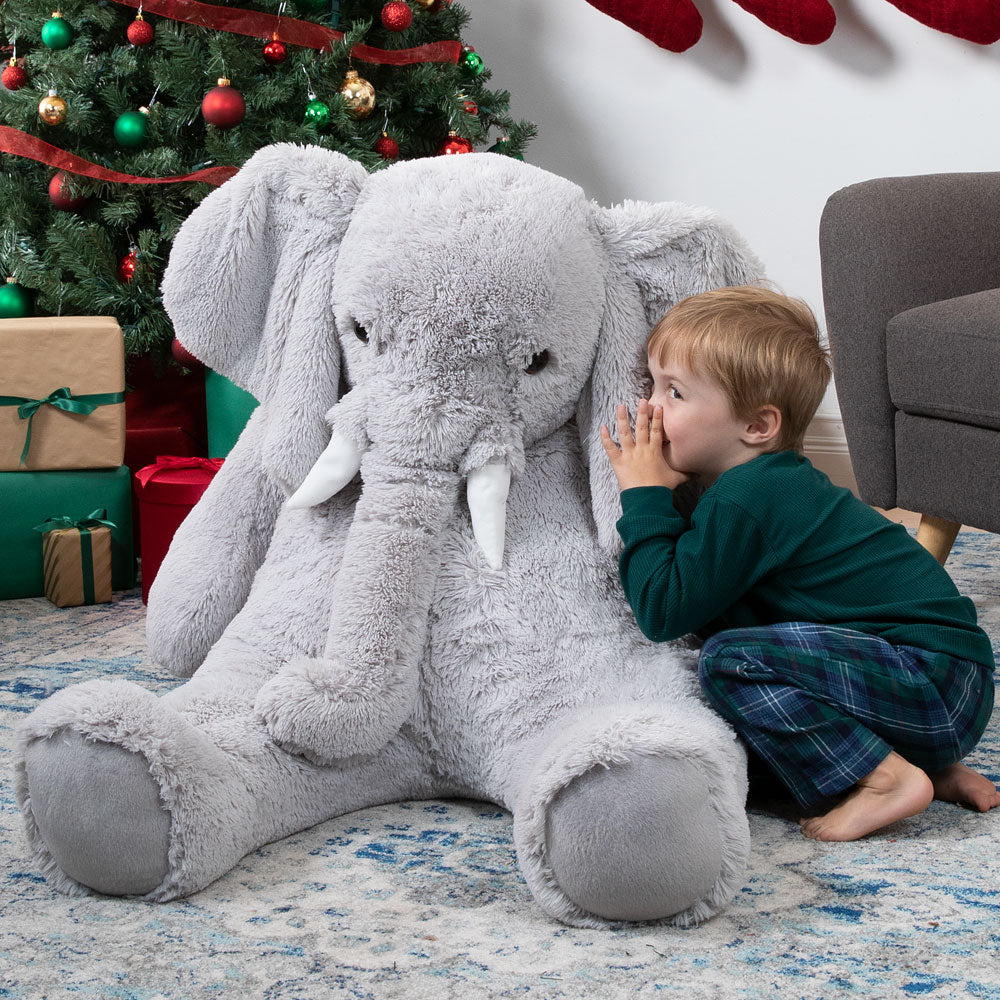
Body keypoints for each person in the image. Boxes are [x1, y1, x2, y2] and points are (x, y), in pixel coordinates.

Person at [600, 284, 999, 842]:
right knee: (753, 716)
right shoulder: (763, 486)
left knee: (729, 664)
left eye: (675, 393)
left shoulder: (748, 499)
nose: (650, 408)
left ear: (758, 426)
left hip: (929, 679)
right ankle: (927, 761)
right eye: (653, 386)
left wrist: (643, 494)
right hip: (946, 686)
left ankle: (886, 777)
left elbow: (663, 610)